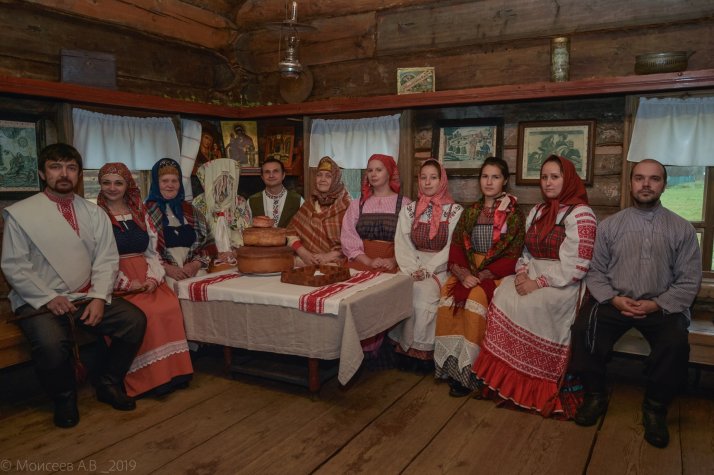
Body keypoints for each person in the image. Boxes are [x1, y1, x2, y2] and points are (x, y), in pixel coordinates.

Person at [1, 143, 146, 428]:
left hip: (84, 294)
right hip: (38, 299)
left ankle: (107, 382)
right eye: (55, 167)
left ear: (79, 174)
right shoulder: (22, 214)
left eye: (70, 167)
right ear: (42, 173)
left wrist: (98, 296)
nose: (63, 173)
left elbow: (106, 258)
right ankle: (64, 398)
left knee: (134, 321)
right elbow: (14, 265)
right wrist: (47, 297)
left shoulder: (94, 213)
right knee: (51, 345)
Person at [570, 159, 701, 448]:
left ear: (664, 185)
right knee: (583, 329)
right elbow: (596, 271)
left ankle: (655, 407)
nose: (646, 184)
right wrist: (615, 299)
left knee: (675, 344)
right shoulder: (610, 226)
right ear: (630, 184)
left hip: (662, 305)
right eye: (639, 178)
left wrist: (656, 304)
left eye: (654, 179)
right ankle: (595, 395)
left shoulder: (682, 229)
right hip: (615, 300)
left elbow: (689, 280)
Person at [472, 155, 597, 417]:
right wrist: (521, 272)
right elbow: (525, 251)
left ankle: (537, 383)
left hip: (564, 281)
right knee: (503, 294)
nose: (548, 182)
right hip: (532, 273)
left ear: (568, 179)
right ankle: (506, 382)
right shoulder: (538, 211)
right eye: (544, 177)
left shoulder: (581, 214)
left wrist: (537, 283)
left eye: (555, 177)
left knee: (537, 303)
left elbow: (577, 266)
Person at [97, 163, 193, 397]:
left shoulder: (139, 212)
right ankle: (150, 379)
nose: (112, 188)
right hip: (115, 277)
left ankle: (176, 372)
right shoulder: (96, 216)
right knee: (148, 314)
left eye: (118, 183)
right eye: (106, 183)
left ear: (127, 185)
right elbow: (96, 258)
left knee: (170, 305)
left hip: (145, 273)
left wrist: (152, 278)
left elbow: (152, 251)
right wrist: (126, 284)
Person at [433, 157, 525, 396]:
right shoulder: (471, 212)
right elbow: (457, 246)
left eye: (495, 177)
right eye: (485, 176)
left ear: (505, 181)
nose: (489, 182)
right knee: (447, 295)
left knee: (475, 299)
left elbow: (513, 254)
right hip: (469, 271)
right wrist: (463, 275)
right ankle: (452, 366)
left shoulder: (514, 215)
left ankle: (471, 372)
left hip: (496, 273)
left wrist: (482, 275)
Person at [390, 159, 464, 370]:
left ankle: (421, 354)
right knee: (399, 287)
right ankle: (400, 348)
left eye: (433, 177)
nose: (428, 182)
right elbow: (402, 242)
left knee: (423, 292)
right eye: (423, 178)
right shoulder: (410, 210)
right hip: (411, 264)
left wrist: (428, 270)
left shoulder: (454, 211)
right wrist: (412, 269)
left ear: (442, 181)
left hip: (440, 267)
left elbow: (451, 246)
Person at [145, 158, 215, 287]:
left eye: (174, 181)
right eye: (165, 181)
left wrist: (196, 264)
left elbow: (209, 244)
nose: (170, 185)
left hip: (195, 273)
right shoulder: (146, 212)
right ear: (156, 183)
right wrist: (166, 268)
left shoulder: (192, 211)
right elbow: (142, 250)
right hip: (162, 275)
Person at [341, 153, 412, 273]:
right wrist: (368, 261)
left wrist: (394, 260)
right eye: (370, 170)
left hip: (394, 266)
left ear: (389, 173)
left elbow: (410, 239)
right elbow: (348, 236)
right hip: (361, 265)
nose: (373, 174)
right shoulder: (357, 204)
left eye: (379, 170)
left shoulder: (405, 204)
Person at [286, 156, 351, 266]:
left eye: (328, 176)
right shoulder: (310, 203)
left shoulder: (347, 205)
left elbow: (354, 242)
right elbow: (290, 232)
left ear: (336, 179)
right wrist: (303, 253)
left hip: (335, 264)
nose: (322, 179)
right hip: (305, 261)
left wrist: (328, 256)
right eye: (319, 175)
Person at [193, 158, 252, 257]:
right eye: (219, 179)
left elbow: (248, 233)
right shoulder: (199, 202)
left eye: (228, 179)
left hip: (237, 255)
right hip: (207, 256)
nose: (224, 184)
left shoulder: (240, 202)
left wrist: (236, 252)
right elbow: (195, 236)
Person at [247, 158, 303, 227]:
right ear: (262, 177)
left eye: (275, 171)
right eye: (267, 172)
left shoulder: (298, 200)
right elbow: (246, 228)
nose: (271, 175)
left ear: (283, 175)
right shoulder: (252, 201)